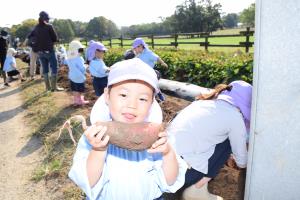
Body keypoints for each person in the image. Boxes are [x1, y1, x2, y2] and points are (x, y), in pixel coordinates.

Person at [69, 58, 187, 200]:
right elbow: (88, 182)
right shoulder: (93, 138)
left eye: (142, 99)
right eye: (123, 95)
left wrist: (168, 154)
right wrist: (98, 150)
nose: (132, 105)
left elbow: (169, 182)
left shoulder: (159, 138)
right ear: (107, 95)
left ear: (151, 103)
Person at [167, 80, 252, 200]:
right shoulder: (234, 117)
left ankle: (197, 188)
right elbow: (242, 161)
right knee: (228, 142)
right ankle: (197, 189)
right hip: (183, 175)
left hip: (166, 165)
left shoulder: (201, 103)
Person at [31, 11, 63, 91]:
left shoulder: (36, 27)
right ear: (45, 19)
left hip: (40, 52)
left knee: (45, 69)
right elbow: (55, 38)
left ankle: (48, 87)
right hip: (49, 51)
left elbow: (33, 38)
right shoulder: (49, 26)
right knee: (54, 68)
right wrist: (56, 40)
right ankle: (54, 87)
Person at [66, 40, 89, 106]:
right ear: (76, 50)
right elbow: (82, 68)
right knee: (80, 89)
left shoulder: (69, 58)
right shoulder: (79, 58)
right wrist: (86, 67)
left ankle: (76, 100)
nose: (81, 52)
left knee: (75, 89)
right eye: (81, 50)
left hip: (72, 76)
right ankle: (80, 100)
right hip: (79, 77)